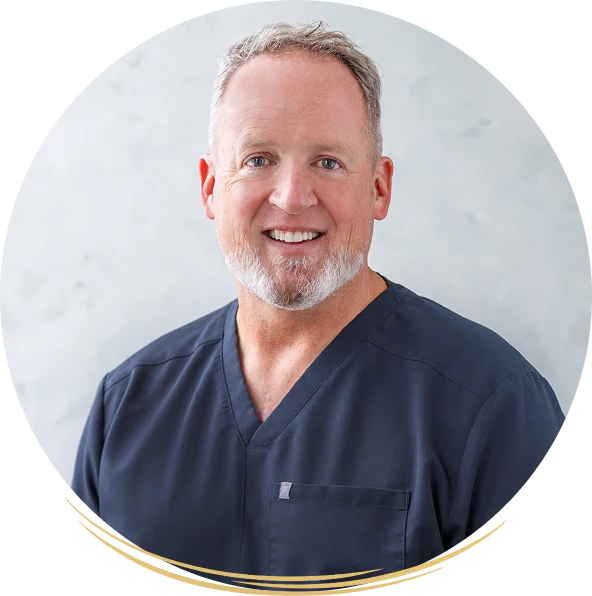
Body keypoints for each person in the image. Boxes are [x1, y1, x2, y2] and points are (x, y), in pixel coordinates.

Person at [71, 21, 566, 585]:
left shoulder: (492, 405)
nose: (291, 198)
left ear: (378, 188)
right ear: (210, 187)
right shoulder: (127, 407)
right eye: (258, 159)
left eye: (328, 162)